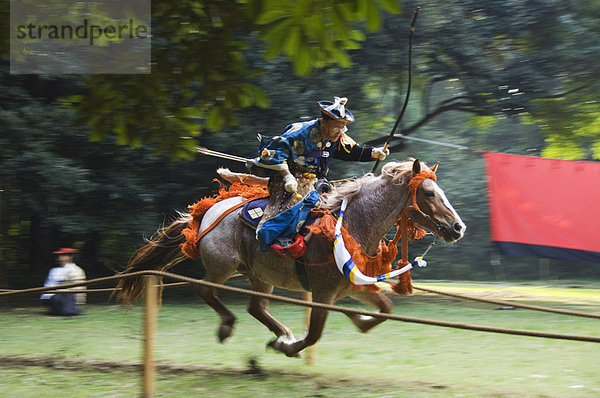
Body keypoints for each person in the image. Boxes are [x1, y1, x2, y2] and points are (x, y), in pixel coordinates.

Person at [250, 97, 389, 253]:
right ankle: (275, 238)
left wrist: (373, 152)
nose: (341, 131)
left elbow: (352, 151)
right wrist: (287, 176)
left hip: (316, 182)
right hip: (287, 181)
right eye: (337, 126)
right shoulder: (301, 132)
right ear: (323, 122)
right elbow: (275, 152)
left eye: (343, 127)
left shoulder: (337, 136)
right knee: (295, 205)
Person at [40, 248, 86, 316]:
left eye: (62, 255)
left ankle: (67, 309)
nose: (59, 258)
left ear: (69, 257)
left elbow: (78, 288)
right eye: (59, 256)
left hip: (70, 298)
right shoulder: (57, 270)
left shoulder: (74, 270)